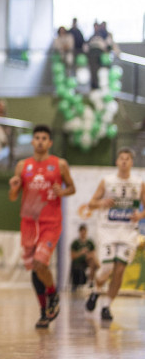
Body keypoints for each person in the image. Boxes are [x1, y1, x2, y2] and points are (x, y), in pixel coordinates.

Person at [8, 124, 76, 328]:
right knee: (34, 270)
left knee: (40, 263)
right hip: (29, 223)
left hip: (50, 222)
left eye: (44, 138)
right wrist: (13, 188)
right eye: (37, 137)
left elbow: (72, 188)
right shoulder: (22, 165)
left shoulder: (59, 164)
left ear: (50, 142)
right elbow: (13, 197)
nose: (40, 141)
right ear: (32, 141)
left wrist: (62, 191)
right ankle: (43, 311)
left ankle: (53, 294)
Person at [85, 147, 145, 322]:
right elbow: (91, 203)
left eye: (128, 158)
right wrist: (102, 202)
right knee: (107, 268)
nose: (124, 161)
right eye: (121, 158)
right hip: (108, 230)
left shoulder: (139, 183)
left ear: (132, 162)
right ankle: (96, 290)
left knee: (119, 270)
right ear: (117, 161)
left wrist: (140, 215)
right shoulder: (107, 181)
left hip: (128, 232)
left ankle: (107, 306)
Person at [70, 224, 97, 291]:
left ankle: (91, 281)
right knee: (77, 266)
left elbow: (93, 254)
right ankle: (77, 283)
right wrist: (81, 252)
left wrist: (88, 255)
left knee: (93, 262)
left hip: (87, 261)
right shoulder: (75, 243)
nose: (83, 233)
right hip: (78, 262)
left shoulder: (90, 242)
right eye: (82, 232)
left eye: (84, 232)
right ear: (79, 232)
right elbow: (72, 256)